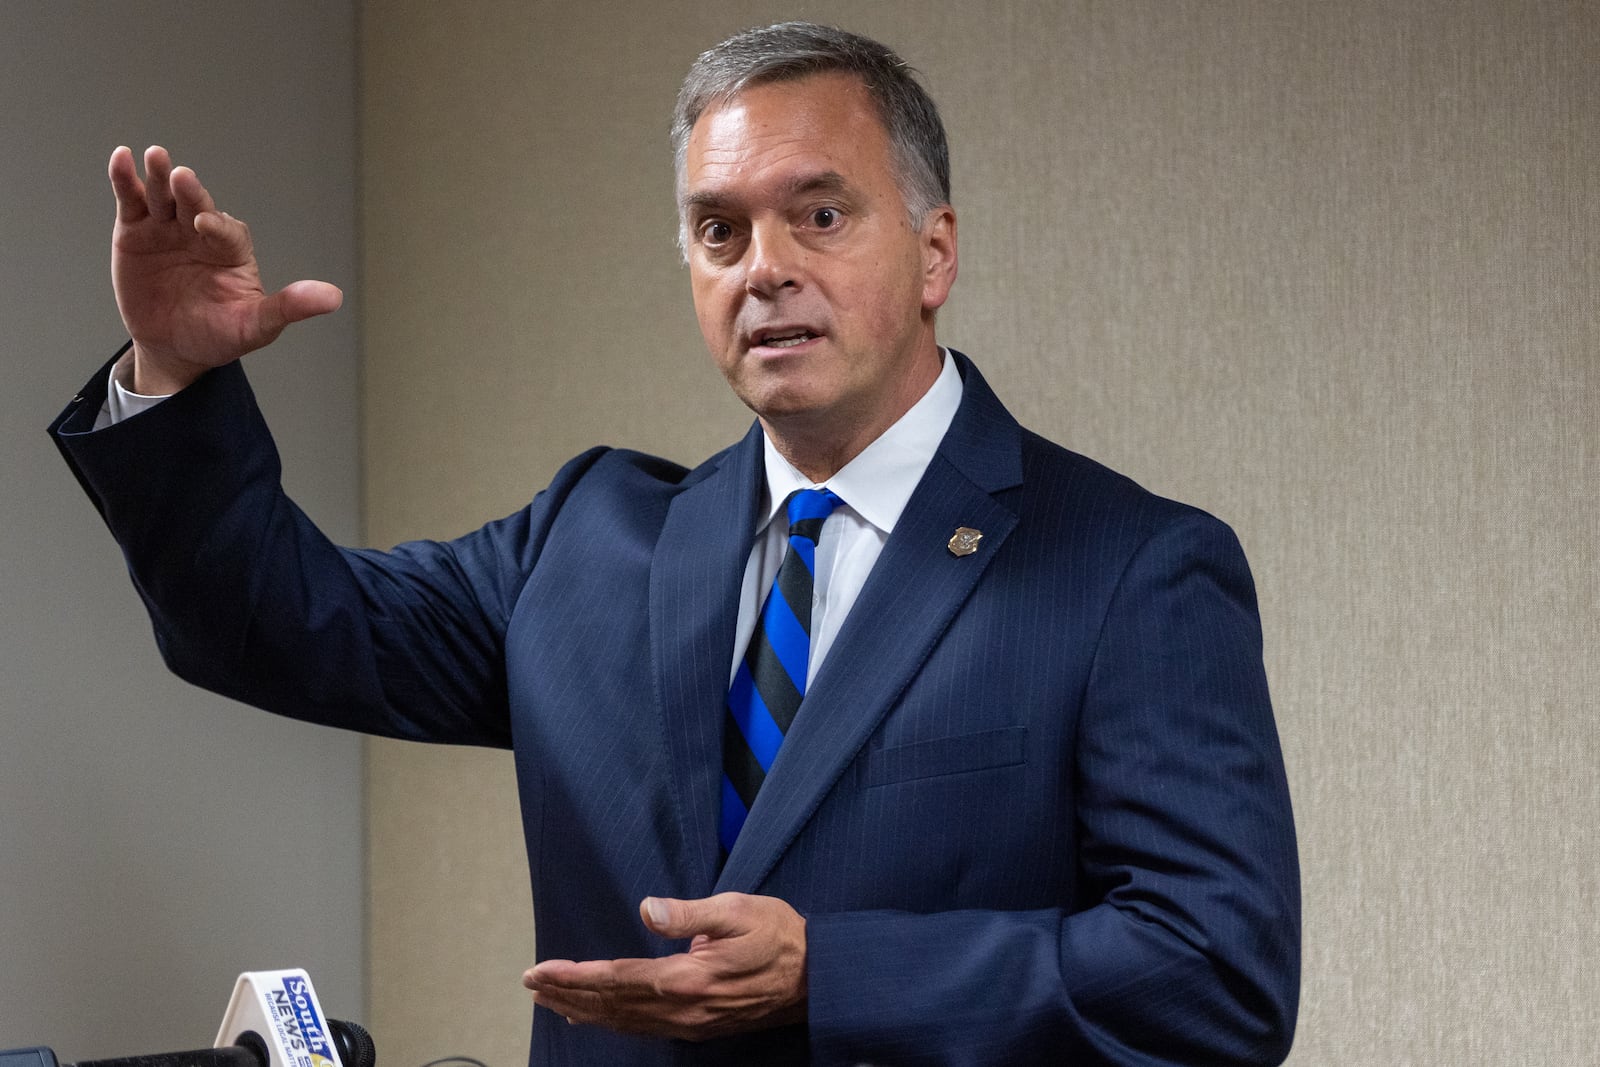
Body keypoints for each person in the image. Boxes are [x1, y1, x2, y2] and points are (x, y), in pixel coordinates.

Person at [51, 21, 1299, 1067]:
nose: (764, 270)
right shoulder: (588, 539)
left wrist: (833, 971)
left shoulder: (1129, 567)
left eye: (819, 214)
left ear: (934, 252)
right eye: (719, 230)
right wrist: (175, 371)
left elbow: (1215, 969)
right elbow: (275, 621)